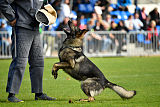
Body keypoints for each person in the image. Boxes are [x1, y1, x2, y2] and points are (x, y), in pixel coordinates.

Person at [0, 0, 56, 102]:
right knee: (20, 62)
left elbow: (45, 6)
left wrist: (48, 13)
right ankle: (11, 94)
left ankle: (38, 93)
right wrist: (11, 17)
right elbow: (3, 2)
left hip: (35, 29)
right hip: (21, 28)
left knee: (38, 62)